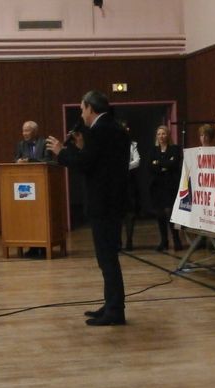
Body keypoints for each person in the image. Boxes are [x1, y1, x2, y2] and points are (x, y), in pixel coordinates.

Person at [46, 90, 130, 326]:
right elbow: (97, 162)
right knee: (108, 258)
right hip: (113, 202)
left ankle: (115, 311)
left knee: (107, 259)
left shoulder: (99, 131)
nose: (81, 114)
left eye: (82, 109)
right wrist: (82, 147)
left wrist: (62, 152)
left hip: (103, 203)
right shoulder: (115, 129)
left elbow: (85, 165)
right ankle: (111, 304)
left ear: (90, 108)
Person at [149, 125, 183, 252]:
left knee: (170, 212)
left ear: (168, 135)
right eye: (159, 134)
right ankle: (164, 241)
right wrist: (165, 165)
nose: (161, 136)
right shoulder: (153, 150)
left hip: (170, 185)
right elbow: (151, 167)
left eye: (163, 134)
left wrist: (159, 164)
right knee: (160, 214)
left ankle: (176, 239)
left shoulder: (175, 149)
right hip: (157, 185)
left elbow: (174, 164)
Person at [120, 120, 141, 251]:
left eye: (126, 128)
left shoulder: (132, 145)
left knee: (130, 213)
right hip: (116, 182)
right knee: (117, 213)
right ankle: (117, 241)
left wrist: (124, 166)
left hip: (129, 181)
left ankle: (129, 240)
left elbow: (137, 161)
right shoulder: (112, 144)